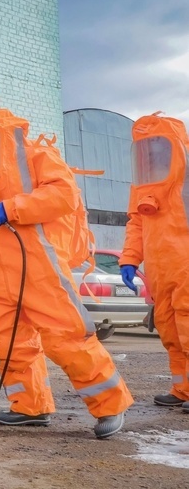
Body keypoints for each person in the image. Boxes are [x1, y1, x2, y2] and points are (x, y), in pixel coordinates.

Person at [0, 106, 133, 439]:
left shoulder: (38, 156)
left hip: (40, 271)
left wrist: (11, 208)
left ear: (4, 135)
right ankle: (30, 406)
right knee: (10, 345)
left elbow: (63, 195)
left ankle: (111, 404)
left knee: (67, 339)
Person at [119, 113, 189, 413]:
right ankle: (182, 388)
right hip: (161, 272)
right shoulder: (143, 185)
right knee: (171, 332)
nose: (151, 155)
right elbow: (136, 224)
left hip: (185, 267)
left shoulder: (186, 179)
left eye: (156, 148)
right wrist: (130, 259)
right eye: (145, 149)